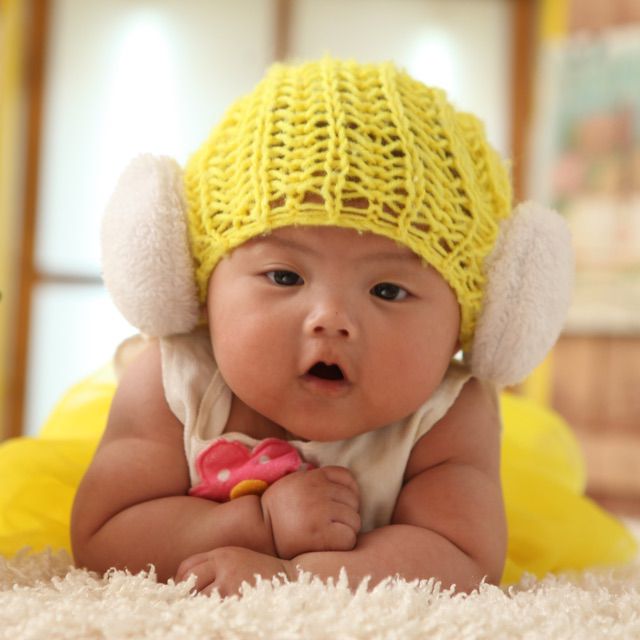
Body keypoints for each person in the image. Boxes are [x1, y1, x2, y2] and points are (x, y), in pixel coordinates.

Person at [68, 58, 628, 596]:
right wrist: (260, 524)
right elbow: (103, 538)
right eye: (284, 276)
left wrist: (292, 578)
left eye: (388, 290)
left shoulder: (447, 413)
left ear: (468, 320)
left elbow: (461, 559)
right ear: (201, 285)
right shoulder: (172, 381)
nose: (331, 319)